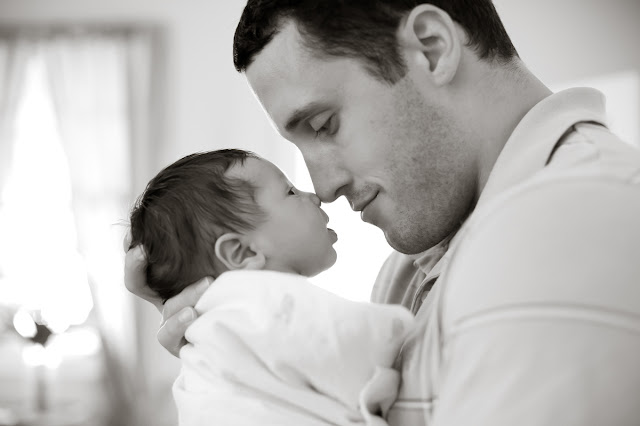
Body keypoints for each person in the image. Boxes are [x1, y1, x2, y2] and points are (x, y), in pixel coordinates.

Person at [125, 1, 640, 425]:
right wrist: (230, 344)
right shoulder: (411, 265)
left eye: (324, 125)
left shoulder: (571, 220)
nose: (323, 188)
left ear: (432, 49)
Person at [127, 149, 415, 425]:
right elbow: (363, 346)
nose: (315, 196)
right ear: (242, 252)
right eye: (290, 192)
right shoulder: (265, 305)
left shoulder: (211, 331)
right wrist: (404, 327)